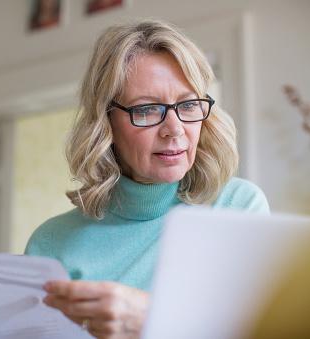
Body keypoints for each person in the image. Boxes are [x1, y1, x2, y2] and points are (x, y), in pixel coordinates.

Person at [24, 20, 270, 339]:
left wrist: (151, 321)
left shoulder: (237, 207)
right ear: (106, 123)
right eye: (148, 110)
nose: (175, 129)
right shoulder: (53, 242)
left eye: (188, 104)